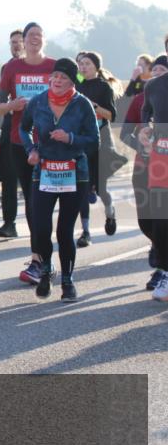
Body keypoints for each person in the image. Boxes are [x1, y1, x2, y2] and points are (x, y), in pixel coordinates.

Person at [19, 58, 98, 303]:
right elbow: (23, 128)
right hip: (44, 171)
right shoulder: (39, 101)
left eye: (63, 78)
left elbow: (94, 140)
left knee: (64, 231)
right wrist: (31, 149)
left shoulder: (82, 104)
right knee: (41, 227)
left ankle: (68, 281)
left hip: (74, 172)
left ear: (72, 81)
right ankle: (45, 270)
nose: (57, 81)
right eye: (54, 76)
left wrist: (71, 138)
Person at [0, 22, 57, 285]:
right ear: (24, 39)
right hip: (20, 142)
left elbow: (74, 93)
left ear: (44, 40)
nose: (35, 39)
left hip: (51, 143)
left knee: (42, 201)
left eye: (39, 35)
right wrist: (14, 104)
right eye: (31, 35)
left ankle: (44, 258)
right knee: (31, 201)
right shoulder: (12, 68)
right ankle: (39, 258)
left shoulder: (55, 66)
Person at [121, 55, 168, 291]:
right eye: (155, 69)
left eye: (163, 68)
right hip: (148, 164)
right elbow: (133, 127)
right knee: (148, 221)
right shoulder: (149, 90)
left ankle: (163, 270)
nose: (159, 72)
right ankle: (160, 249)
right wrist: (143, 140)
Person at [74, 51, 121, 247]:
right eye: (81, 64)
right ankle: (85, 232)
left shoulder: (103, 88)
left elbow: (111, 115)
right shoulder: (77, 85)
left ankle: (110, 213)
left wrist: (93, 107)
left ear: (96, 67)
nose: (83, 67)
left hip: (100, 141)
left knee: (101, 189)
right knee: (82, 188)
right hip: (82, 141)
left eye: (87, 64)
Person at [140, 43, 168, 302]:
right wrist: (145, 132)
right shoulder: (154, 86)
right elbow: (145, 116)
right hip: (162, 159)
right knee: (157, 222)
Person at [0, 29, 26, 238]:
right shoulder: (7, 68)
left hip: (32, 129)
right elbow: (0, 101)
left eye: (18, 41)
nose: (15, 45)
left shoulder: (39, 68)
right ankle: (9, 223)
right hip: (8, 128)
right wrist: (9, 105)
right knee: (4, 175)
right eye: (12, 42)